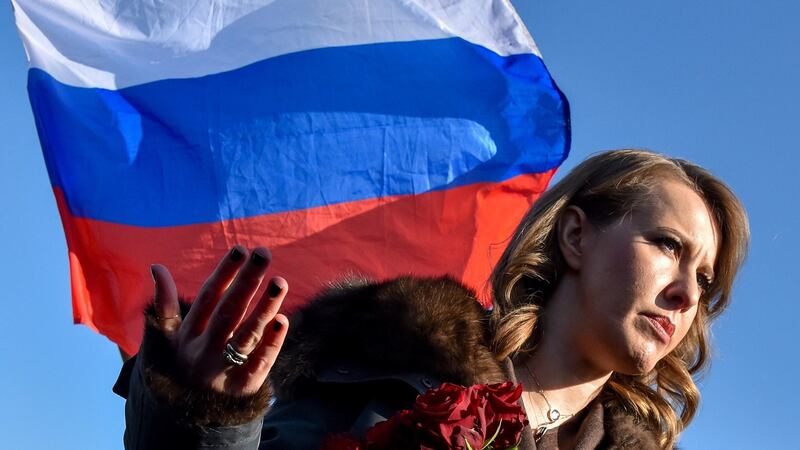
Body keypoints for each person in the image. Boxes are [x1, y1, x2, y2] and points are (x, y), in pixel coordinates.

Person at [114, 149, 749, 449]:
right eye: (669, 245)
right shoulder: (383, 358)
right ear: (577, 235)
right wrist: (203, 421)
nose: (686, 293)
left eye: (705, 279)